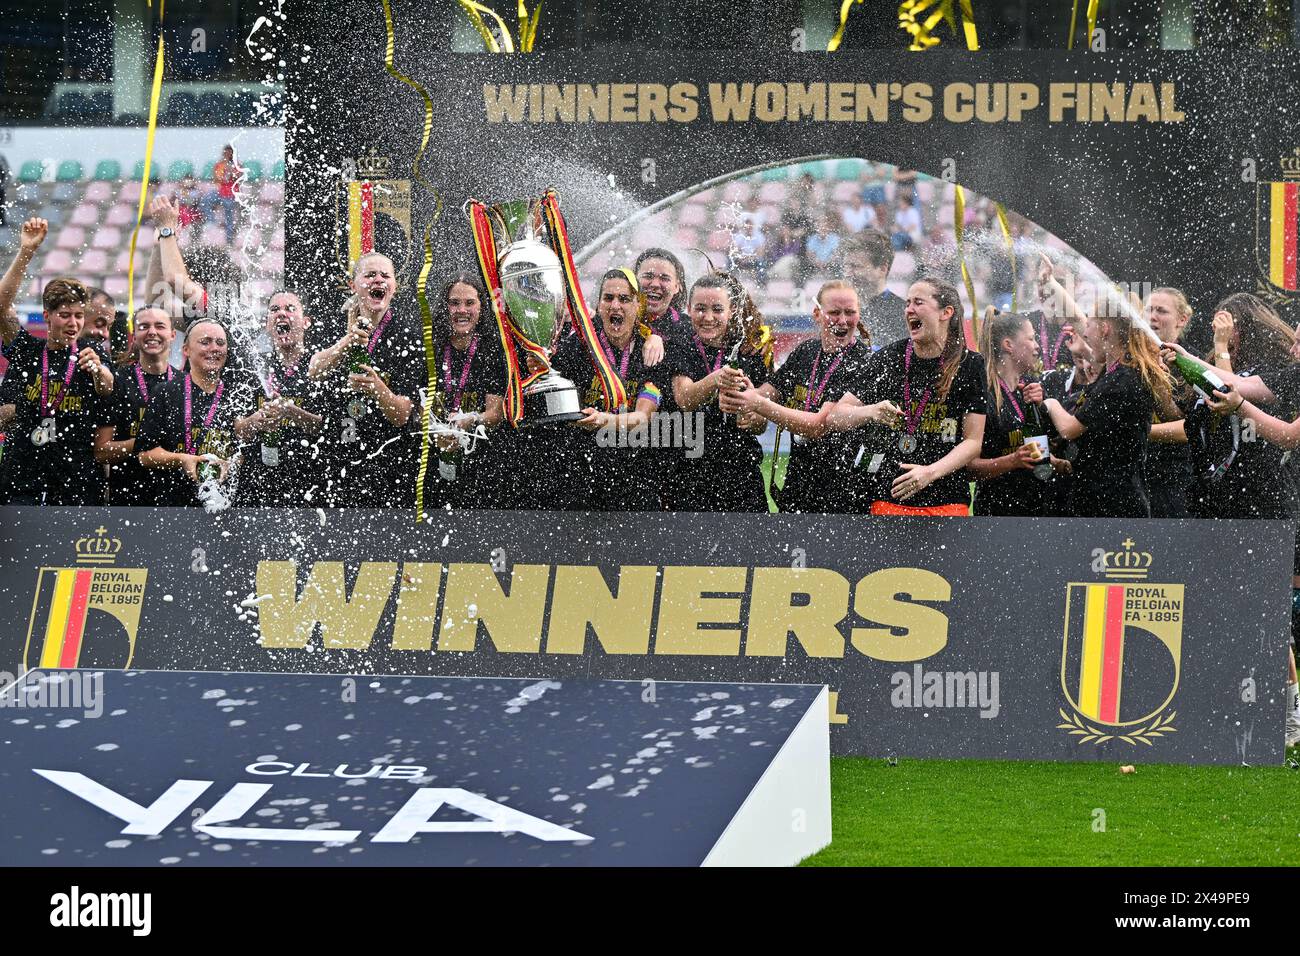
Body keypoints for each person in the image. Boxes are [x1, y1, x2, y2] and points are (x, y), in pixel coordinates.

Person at [822, 277, 984, 516]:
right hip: (887, 499)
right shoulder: (889, 358)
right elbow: (834, 417)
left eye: (918, 302)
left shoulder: (970, 364)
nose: (909, 309)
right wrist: (871, 412)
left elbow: (973, 442)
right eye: (907, 303)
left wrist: (930, 472)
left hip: (947, 500)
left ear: (946, 312)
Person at [731, 280, 877, 513]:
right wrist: (745, 394)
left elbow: (818, 426)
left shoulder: (862, 361)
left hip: (843, 490)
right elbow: (771, 390)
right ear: (817, 314)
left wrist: (758, 403)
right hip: (798, 483)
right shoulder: (806, 351)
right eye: (834, 312)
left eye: (850, 312)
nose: (842, 320)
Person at [0, 218, 115, 505]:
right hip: (22, 476)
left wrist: (98, 370)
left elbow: (107, 387)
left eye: (79, 315)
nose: (73, 323)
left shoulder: (90, 350)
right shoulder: (28, 349)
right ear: (47, 315)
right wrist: (26, 252)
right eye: (65, 315)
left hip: (74, 481)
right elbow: (1, 307)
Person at [308, 251, 425, 509]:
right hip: (336, 463)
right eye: (370, 275)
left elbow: (402, 414)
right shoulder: (334, 323)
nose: (378, 281)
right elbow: (314, 371)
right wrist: (347, 342)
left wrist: (377, 388)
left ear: (394, 286)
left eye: (385, 276)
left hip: (388, 468)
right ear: (353, 285)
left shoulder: (409, 337)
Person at [660, 273, 771, 512]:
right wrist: (717, 378)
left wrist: (751, 417)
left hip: (741, 475)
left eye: (717, 309)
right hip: (688, 476)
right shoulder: (681, 343)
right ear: (689, 309)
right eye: (700, 308)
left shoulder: (748, 350)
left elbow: (760, 425)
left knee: (751, 548)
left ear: (731, 311)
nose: (708, 317)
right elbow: (684, 398)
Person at [1042, 312, 1170, 518]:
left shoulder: (1121, 380)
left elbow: (1069, 429)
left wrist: (1050, 403)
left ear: (1104, 329)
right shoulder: (1120, 373)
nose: (1085, 333)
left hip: (1112, 504)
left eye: (1089, 327)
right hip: (1110, 498)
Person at [562, 269, 667, 510]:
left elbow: (643, 416)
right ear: (598, 305)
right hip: (581, 476)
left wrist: (603, 420)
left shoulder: (650, 352)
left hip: (635, 478)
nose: (615, 305)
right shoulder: (579, 346)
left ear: (638, 306)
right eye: (608, 298)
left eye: (624, 299)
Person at [137, 319, 252, 507]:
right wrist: (182, 460)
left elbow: (246, 451)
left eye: (220, 343)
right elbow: (145, 454)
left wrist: (230, 465)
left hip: (227, 507)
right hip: (176, 506)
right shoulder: (165, 392)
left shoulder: (238, 394)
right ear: (186, 350)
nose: (214, 348)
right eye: (205, 342)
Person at [968, 309, 1066, 516]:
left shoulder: (1031, 389)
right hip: (997, 515)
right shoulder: (983, 395)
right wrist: (1012, 460)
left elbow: (1039, 448)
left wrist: (1042, 408)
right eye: (1030, 338)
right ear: (1008, 345)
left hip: (1040, 510)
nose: (1037, 346)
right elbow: (968, 468)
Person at [233, 290, 326, 507]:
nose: (282, 314)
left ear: (306, 322)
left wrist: (291, 411)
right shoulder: (255, 368)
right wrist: (256, 420)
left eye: (290, 309)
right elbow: (239, 432)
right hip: (258, 486)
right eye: (275, 310)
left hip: (308, 485)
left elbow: (325, 428)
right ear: (267, 324)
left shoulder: (320, 366)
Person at [427, 274, 504, 509]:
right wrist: (435, 432)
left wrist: (471, 420)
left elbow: (495, 414)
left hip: (481, 471)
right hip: (432, 465)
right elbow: (418, 407)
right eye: (454, 303)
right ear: (444, 306)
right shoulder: (429, 347)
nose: (462, 310)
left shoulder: (493, 350)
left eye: (470, 303)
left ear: (481, 307)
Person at [93, 306, 177, 505]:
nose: (152, 332)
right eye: (144, 326)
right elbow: (101, 451)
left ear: (172, 334)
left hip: (175, 501)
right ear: (135, 335)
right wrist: (143, 442)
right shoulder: (118, 382)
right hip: (128, 500)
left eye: (160, 326)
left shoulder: (184, 384)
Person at [1141, 287, 1195, 518]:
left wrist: (1138, 431)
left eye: (1161, 311)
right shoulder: (1134, 358)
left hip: (1174, 477)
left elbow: (1188, 427)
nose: (1152, 317)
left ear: (1182, 319)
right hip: (1137, 474)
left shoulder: (1192, 364)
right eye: (1149, 310)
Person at [840, 230, 906, 347]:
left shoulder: (903, 313)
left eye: (856, 266)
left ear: (882, 269)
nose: (849, 273)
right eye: (847, 266)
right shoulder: (838, 310)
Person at [201, 144, 241, 243]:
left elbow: (237, 178)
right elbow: (217, 178)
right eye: (226, 152)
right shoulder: (219, 165)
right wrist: (225, 171)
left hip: (231, 193)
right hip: (220, 192)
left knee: (229, 216)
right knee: (205, 200)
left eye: (230, 152)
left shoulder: (237, 165)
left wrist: (230, 171)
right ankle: (211, 221)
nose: (227, 154)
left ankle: (229, 238)